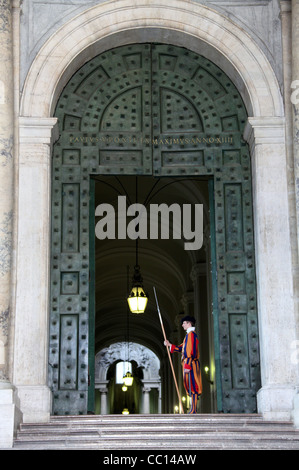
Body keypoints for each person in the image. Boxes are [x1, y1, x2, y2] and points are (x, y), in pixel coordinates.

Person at [164, 315, 202, 414]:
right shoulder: (188, 336)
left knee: (193, 386)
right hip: (188, 364)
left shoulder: (191, 335)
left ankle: (193, 409)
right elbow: (182, 348)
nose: (182, 325)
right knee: (190, 386)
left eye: (184, 323)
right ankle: (192, 408)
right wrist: (170, 345)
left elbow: (191, 351)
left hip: (191, 364)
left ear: (189, 323)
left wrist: (188, 365)